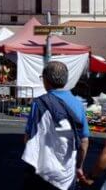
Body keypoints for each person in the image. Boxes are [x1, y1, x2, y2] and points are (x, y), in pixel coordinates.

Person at [22, 61, 89, 190]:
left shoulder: (39, 103)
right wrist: (79, 166)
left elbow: (28, 138)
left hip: (43, 170)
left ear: (46, 80)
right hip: (67, 174)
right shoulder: (78, 105)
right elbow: (84, 142)